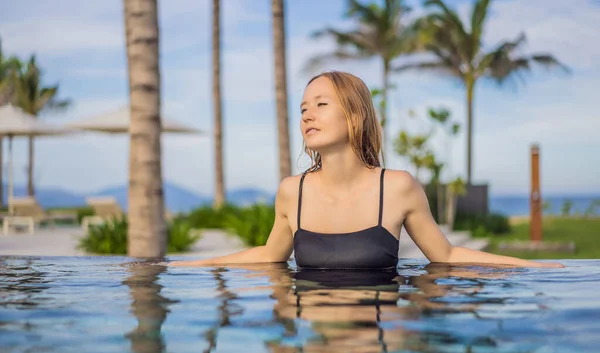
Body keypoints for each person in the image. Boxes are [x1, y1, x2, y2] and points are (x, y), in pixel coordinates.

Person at [170, 71, 563, 269]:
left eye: (321, 104)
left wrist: (531, 266)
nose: (307, 114)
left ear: (355, 115)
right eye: (303, 108)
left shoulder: (397, 188)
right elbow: (269, 256)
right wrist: (194, 265)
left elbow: (445, 254)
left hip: (378, 352)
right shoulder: (293, 191)